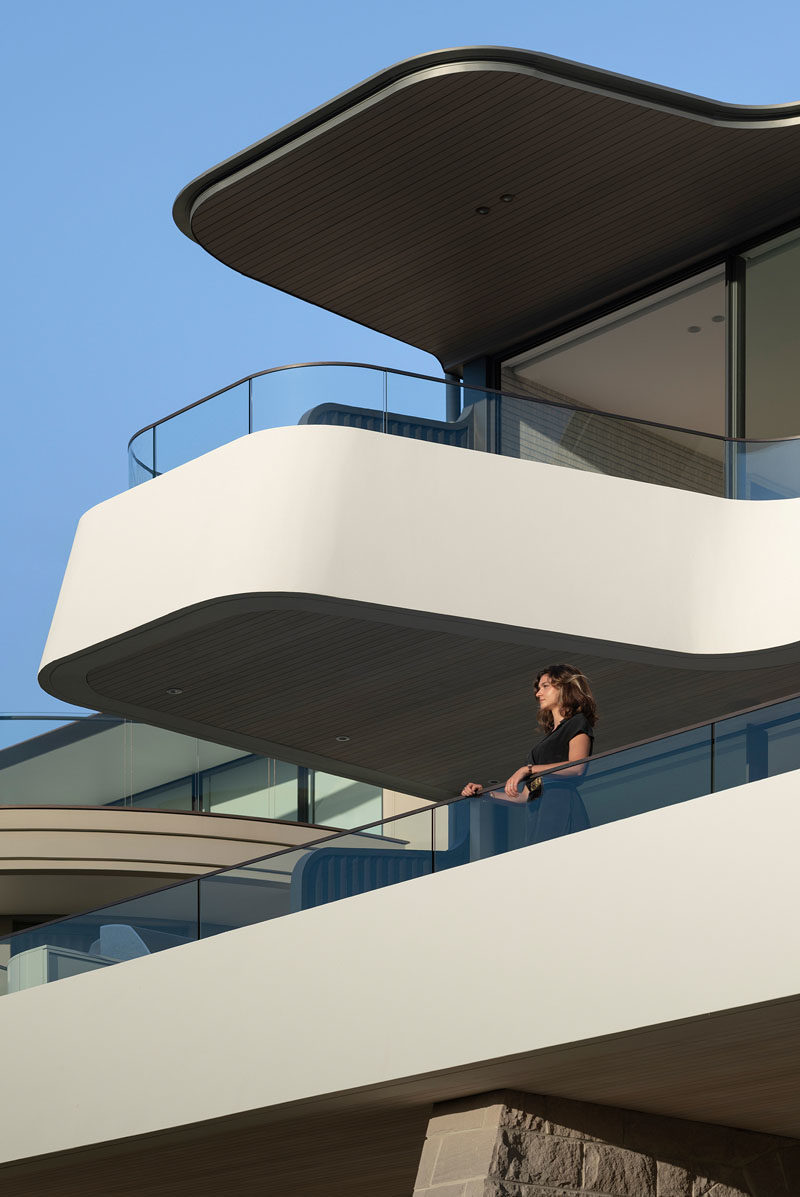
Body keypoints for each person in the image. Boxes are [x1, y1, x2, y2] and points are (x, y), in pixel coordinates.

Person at [461, 664, 598, 843]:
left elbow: (578, 767)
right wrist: (484, 794)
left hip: (560, 805)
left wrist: (529, 769)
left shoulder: (577, 723)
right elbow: (524, 796)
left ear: (564, 687)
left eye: (545, 686)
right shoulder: (548, 739)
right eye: (538, 688)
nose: (538, 693)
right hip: (538, 813)